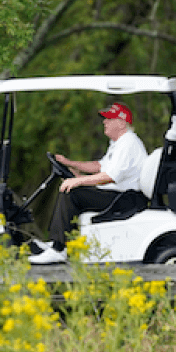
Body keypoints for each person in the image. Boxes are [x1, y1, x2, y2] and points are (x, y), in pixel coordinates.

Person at [29, 103, 148, 264]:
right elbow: (100, 166)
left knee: (71, 192)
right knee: (72, 188)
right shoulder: (119, 144)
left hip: (126, 199)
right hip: (118, 195)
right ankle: (58, 242)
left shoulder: (128, 143)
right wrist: (70, 164)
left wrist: (78, 180)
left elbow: (110, 176)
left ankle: (59, 249)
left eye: (109, 119)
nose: (104, 122)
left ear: (121, 122)